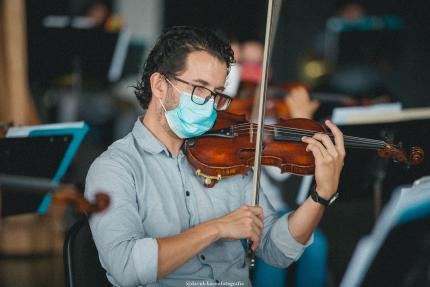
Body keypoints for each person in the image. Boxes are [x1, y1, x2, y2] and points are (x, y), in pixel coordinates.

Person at [85, 26, 345, 287]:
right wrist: (216, 228)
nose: (210, 104)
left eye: (217, 94)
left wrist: (320, 195)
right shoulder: (115, 168)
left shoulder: (227, 155)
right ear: (160, 85)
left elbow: (275, 251)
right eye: (199, 89)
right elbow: (125, 267)